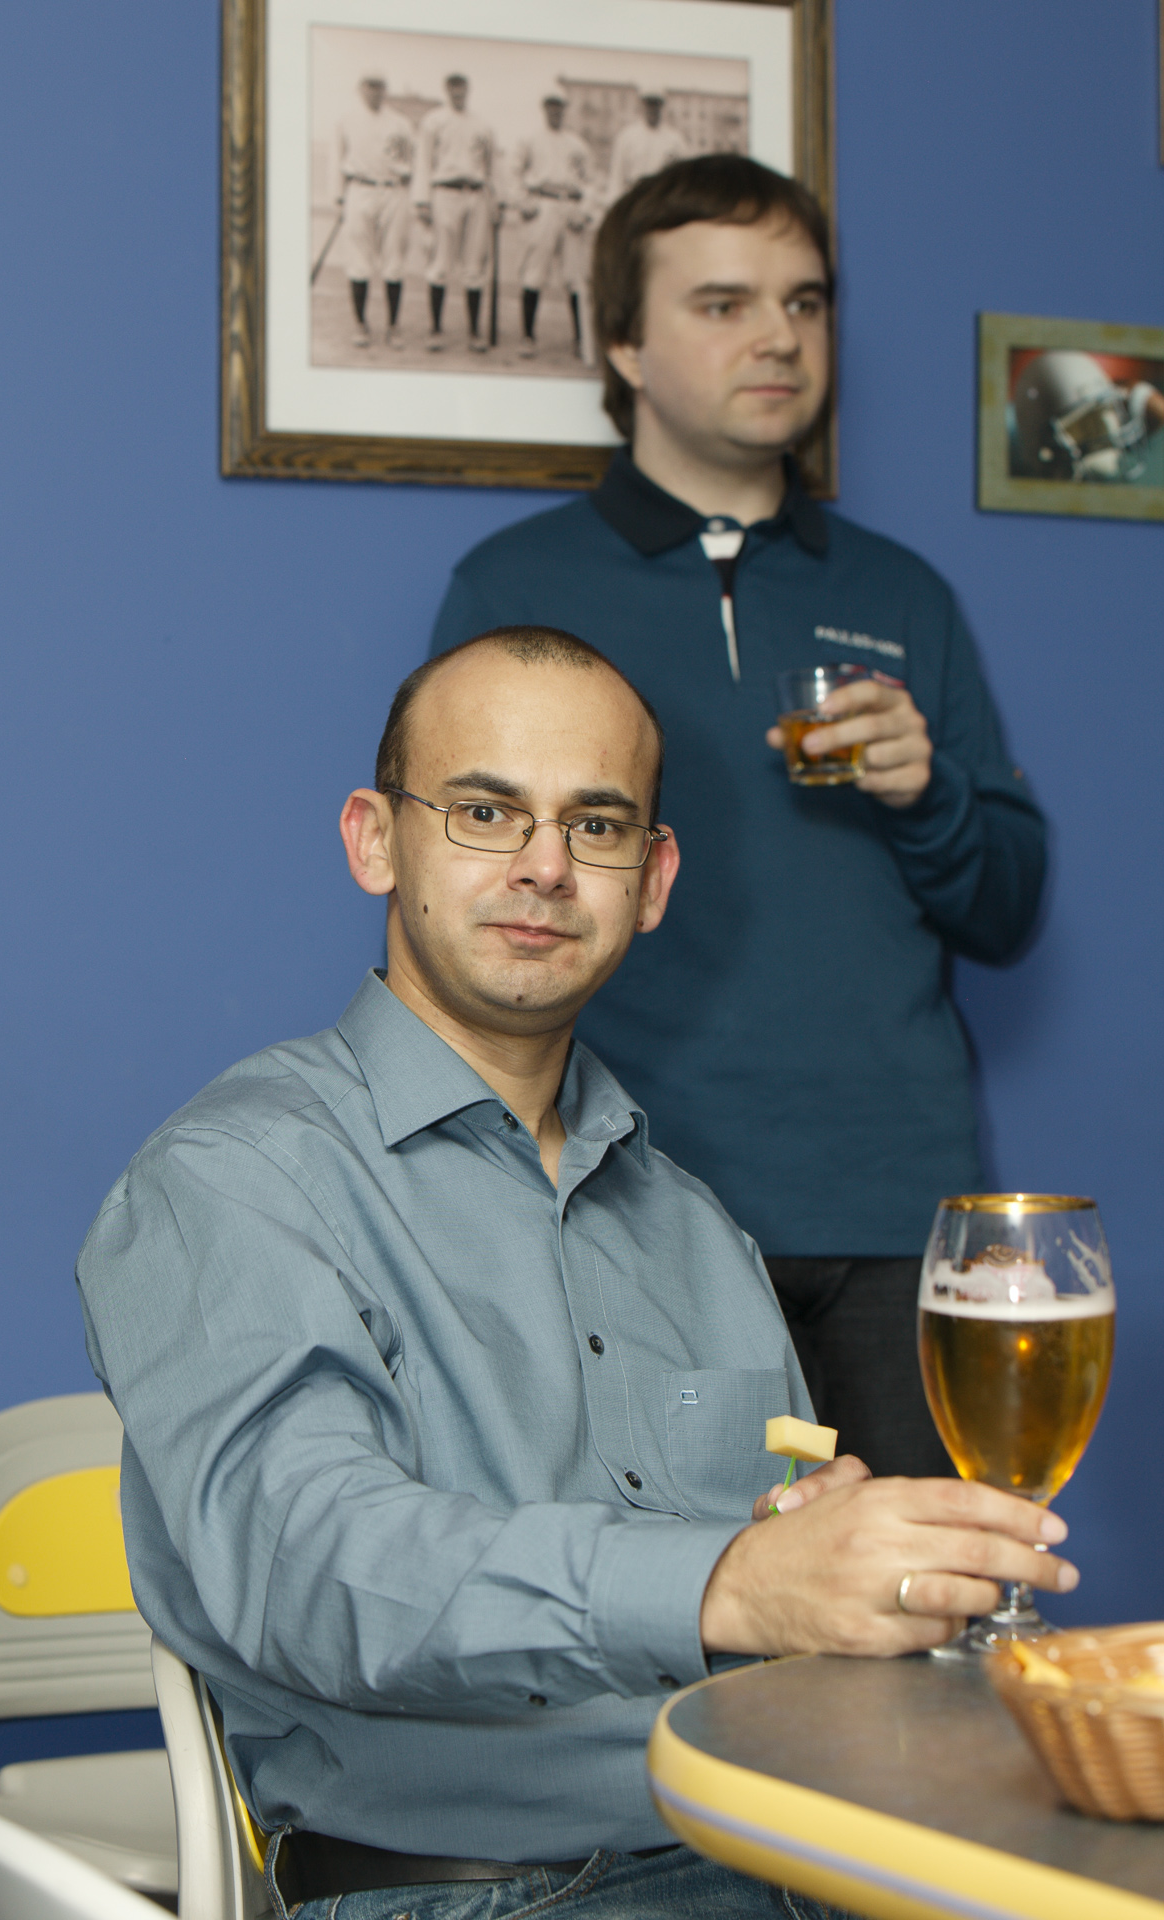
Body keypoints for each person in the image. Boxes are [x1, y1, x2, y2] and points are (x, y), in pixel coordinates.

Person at [77, 627, 1075, 1920]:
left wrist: (829, 1574)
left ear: (650, 882)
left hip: (797, 1864)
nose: (543, 867)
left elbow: (775, 1589)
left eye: (595, 826)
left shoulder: (697, 1230)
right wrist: (725, 1583)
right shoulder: (233, 1178)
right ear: (375, 841)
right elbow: (305, 1567)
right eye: (485, 812)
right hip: (472, 1895)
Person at [428, 157, 1049, 1481]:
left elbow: (1005, 907)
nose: (778, 336)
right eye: (723, 304)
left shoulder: (902, 594)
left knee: (915, 1593)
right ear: (624, 346)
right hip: (629, 1196)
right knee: (676, 1594)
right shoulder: (514, 586)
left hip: (893, 1206)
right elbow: (455, 891)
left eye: (803, 302)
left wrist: (925, 792)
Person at [413, 74, 495, 354]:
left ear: (468, 89)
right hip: (444, 193)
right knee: (440, 264)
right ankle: (435, 329)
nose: (458, 92)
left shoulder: (482, 124)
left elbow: (492, 166)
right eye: (453, 87)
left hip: (476, 194)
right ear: (446, 90)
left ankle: (474, 331)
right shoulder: (433, 120)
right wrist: (422, 201)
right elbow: (423, 161)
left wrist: (496, 202)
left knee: (474, 266)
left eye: (462, 87)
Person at [333, 76, 414, 349]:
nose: (374, 91)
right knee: (359, 260)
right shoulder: (346, 120)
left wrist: (412, 194)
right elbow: (336, 162)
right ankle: (360, 324)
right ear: (360, 89)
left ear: (385, 90)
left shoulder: (401, 123)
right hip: (360, 189)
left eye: (379, 86)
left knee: (394, 261)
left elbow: (411, 161)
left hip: (394, 191)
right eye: (369, 86)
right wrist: (338, 199)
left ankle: (393, 326)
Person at [513, 95, 593, 360]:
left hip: (570, 205)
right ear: (544, 108)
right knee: (534, 273)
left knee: (574, 276)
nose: (555, 110)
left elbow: (591, 182)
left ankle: (580, 339)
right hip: (543, 205)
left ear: (565, 109)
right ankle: (528, 336)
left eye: (559, 106)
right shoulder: (530, 139)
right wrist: (524, 202)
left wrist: (584, 212)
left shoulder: (577, 144)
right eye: (551, 106)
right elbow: (514, 172)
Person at [607, 93, 687, 203]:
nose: (652, 109)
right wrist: (614, 202)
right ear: (642, 106)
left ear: (661, 107)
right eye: (649, 104)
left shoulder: (675, 140)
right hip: (634, 198)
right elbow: (617, 176)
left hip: (662, 200)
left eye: (656, 104)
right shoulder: (626, 136)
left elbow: (683, 178)